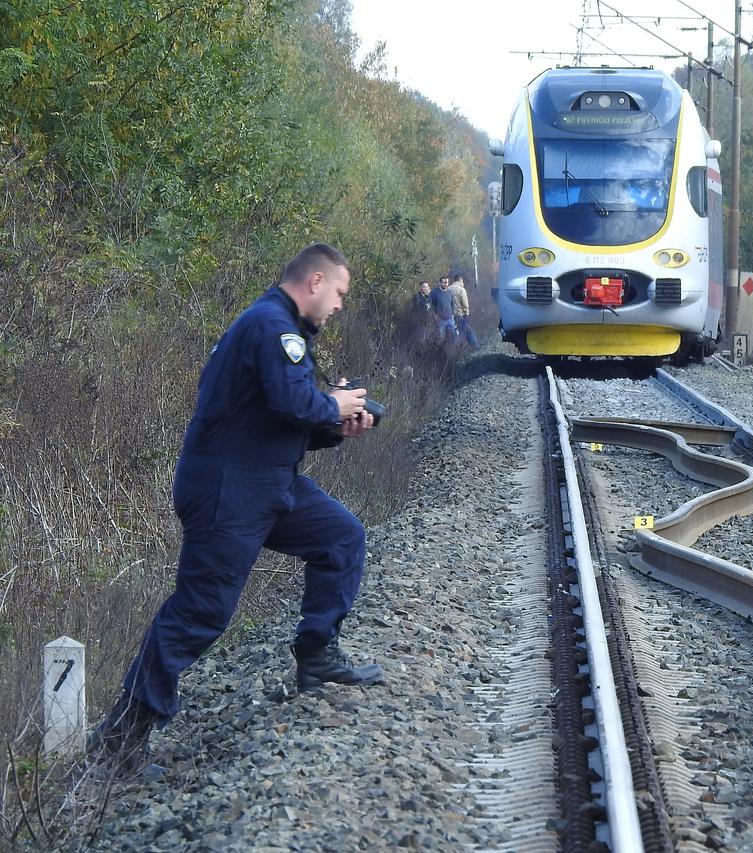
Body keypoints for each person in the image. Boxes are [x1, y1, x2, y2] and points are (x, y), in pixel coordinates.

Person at [89, 243, 384, 775]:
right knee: (201, 612)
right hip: (231, 491)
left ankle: (316, 656)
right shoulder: (273, 328)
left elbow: (277, 423)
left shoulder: (275, 328)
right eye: (339, 293)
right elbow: (291, 405)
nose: (340, 305)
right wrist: (331, 405)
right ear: (315, 282)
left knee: (341, 537)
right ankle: (120, 739)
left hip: (268, 483)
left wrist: (337, 424)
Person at [449, 273, 479, 348]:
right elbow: (465, 303)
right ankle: (475, 346)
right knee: (468, 330)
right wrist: (466, 312)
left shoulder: (448, 289)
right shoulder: (461, 289)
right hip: (460, 314)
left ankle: (457, 347)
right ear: (460, 280)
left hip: (450, 315)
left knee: (455, 331)